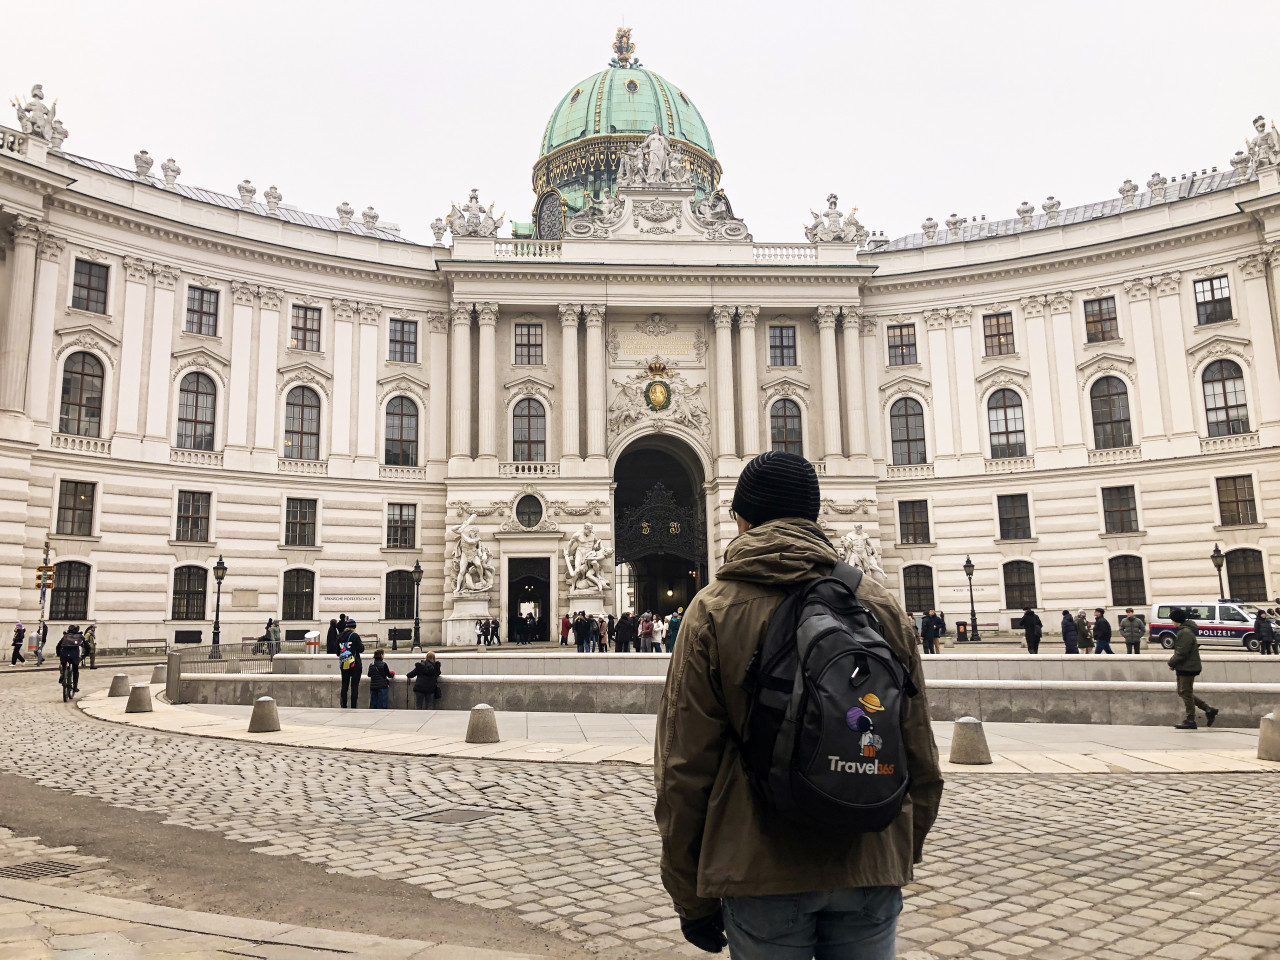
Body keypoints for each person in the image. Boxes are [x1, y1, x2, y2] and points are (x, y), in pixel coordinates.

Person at [656, 451, 943, 958]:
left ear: (742, 518)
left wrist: (690, 896)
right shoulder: (877, 603)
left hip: (760, 870)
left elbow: (683, 769)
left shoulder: (713, 610)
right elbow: (918, 752)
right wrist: (895, 855)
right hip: (868, 864)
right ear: (814, 517)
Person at [1168, 607, 1217, 730]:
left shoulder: (1184, 633)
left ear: (1176, 620)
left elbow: (1182, 652)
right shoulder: (1185, 631)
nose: (1171, 623)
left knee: (1186, 693)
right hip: (1186, 666)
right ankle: (1209, 710)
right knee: (1183, 692)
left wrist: (1172, 662)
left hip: (1188, 667)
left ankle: (1191, 720)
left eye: (1172, 620)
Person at [337, 620, 365, 708]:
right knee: (354, 686)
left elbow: (337, 652)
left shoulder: (340, 636)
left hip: (344, 664)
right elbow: (361, 649)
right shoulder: (355, 636)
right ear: (354, 627)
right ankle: (353, 705)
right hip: (355, 664)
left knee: (344, 685)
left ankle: (343, 705)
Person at [56, 624, 86, 693]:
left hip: (64, 655)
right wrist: (85, 654)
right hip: (74, 656)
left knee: (63, 665)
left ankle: (63, 674)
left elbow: (58, 646)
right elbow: (87, 646)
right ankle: (75, 687)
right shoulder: (80, 636)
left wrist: (58, 654)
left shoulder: (65, 636)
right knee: (75, 671)